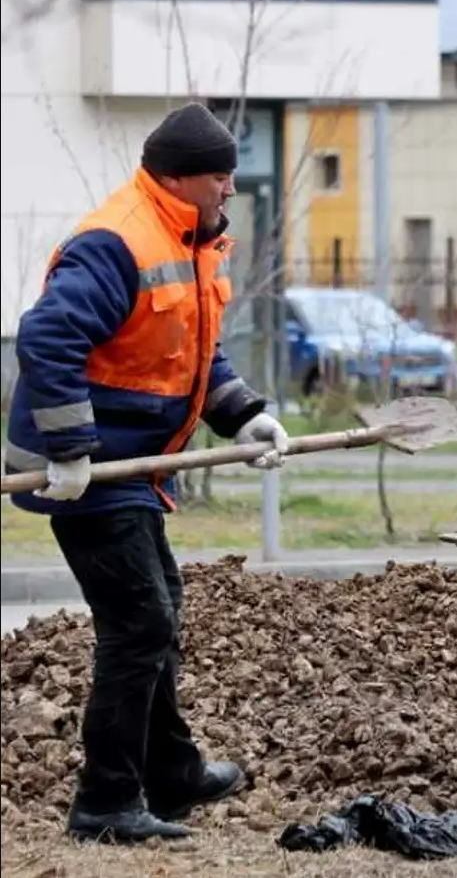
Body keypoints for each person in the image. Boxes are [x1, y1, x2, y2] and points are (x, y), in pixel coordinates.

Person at [4, 103, 291, 843]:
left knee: (159, 607)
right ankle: (105, 803)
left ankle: (170, 771)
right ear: (179, 178)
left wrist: (242, 414)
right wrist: (67, 451)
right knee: (139, 622)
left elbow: (189, 353)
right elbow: (47, 337)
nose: (231, 189)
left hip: (132, 461)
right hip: (85, 464)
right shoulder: (117, 240)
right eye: (220, 177)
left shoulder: (191, 238)